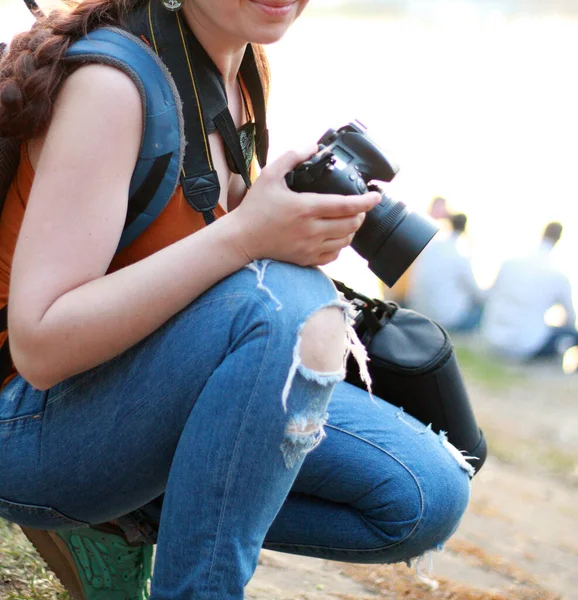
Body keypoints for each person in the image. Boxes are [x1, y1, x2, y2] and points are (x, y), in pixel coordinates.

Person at [0, 1, 471, 598]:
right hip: (26, 423)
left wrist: (275, 225)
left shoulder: (237, 70)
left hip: (135, 393)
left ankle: (120, 519)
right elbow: (39, 344)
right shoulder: (111, 90)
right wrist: (247, 237)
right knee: (285, 301)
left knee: (424, 492)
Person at [481, 221, 578, 360]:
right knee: (572, 335)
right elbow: (570, 318)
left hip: (492, 337)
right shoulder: (558, 275)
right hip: (526, 345)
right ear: (559, 239)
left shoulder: (510, 263)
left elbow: (488, 295)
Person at [406, 213, 485, 332]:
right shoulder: (460, 256)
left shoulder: (432, 247)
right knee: (482, 309)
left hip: (419, 311)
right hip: (447, 319)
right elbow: (477, 294)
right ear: (465, 229)